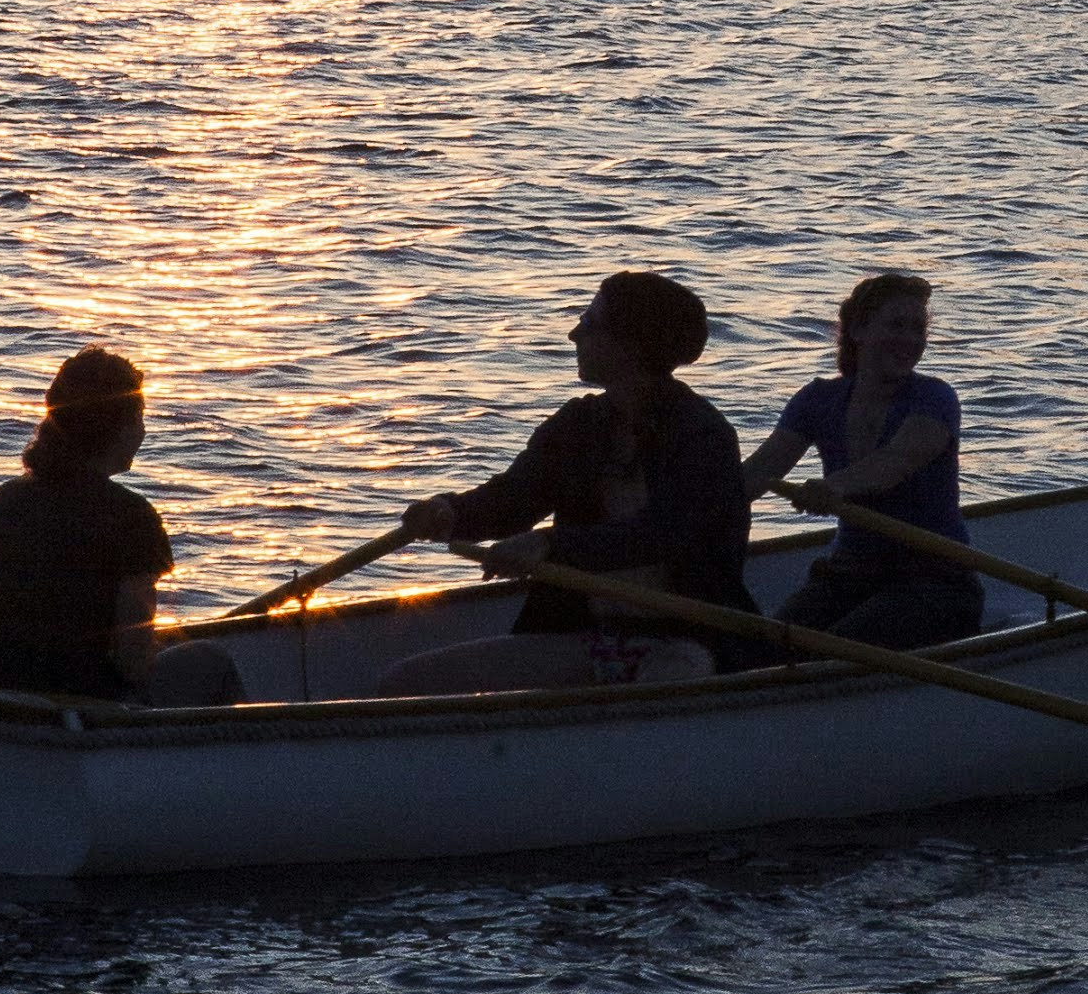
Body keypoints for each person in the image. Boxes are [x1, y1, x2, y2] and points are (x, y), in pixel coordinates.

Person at [379, 270, 755, 695]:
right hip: (583, 635)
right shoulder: (578, 425)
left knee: (657, 693)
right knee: (405, 682)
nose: (574, 334)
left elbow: (667, 533)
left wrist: (551, 546)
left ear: (631, 346)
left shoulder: (703, 434)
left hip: (687, 641)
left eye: (590, 323)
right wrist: (449, 512)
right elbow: (515, 499)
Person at [0, 346, 243, 706]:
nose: (143, 430)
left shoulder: (3, 502)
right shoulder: (132, 517)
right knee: (212, 662)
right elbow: (132, 666)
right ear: (119, 429)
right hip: (83, 712)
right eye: (140, 417)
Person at [744, 268, 983, 651]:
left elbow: (895, 462)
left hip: (935, 580)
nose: (908, 340)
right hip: (848, 573)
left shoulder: (935, 398)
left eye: (917, 329)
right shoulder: (817, 400)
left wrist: (835, 486)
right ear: (858, 331)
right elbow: (757, 473)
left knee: (832, 650)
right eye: (896, 325)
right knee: (763, 648)